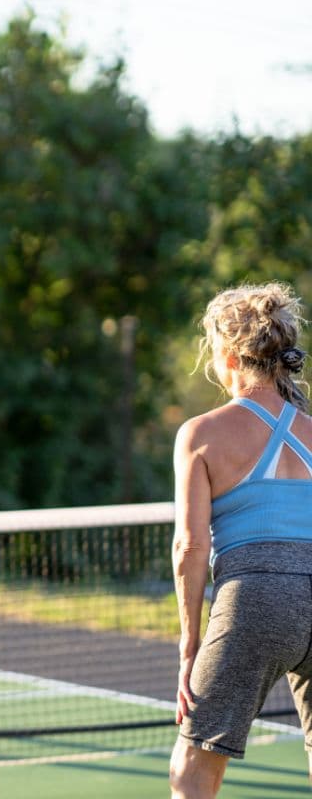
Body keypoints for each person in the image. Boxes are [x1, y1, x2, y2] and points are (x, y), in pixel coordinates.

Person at [170, 282, 312, 798]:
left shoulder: (202, 433)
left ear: (227, 355)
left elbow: (190, 547)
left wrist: (190, 645)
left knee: (193, 764)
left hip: (257, 598)